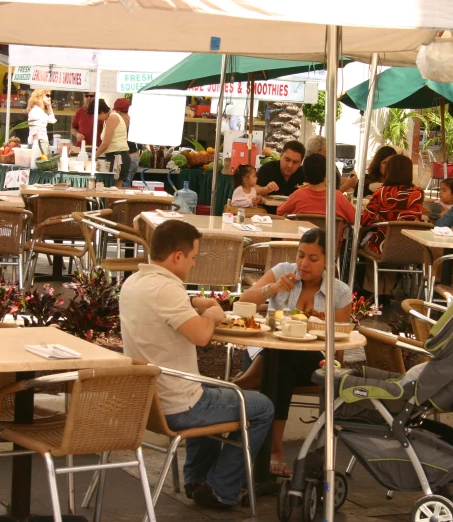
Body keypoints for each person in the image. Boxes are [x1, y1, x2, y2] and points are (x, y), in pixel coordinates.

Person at [120, 220, 274, 508]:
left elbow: (167, 309)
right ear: (177, 256)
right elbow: (202, 336)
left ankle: (197, 478)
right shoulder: (167, 288)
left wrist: (194, 302)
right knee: (263, 407)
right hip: (178, 405)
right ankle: (220, 488)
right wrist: (213, 314)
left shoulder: (134, 282)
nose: (193, 265)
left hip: (149, 400)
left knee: (214, 388)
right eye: (192, 258)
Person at [234, 228, 352, 475]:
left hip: (311, 361)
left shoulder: (338, 291)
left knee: (286, 359)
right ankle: (274, 451)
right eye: (300, 255)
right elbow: (244, 300)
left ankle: (242, 385)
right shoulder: (282, 272)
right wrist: (273, 289)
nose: (303, 263)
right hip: (270, 354)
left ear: (328, 261)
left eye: (313, 258)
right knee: (282, 366)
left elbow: (339, 339)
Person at [361, 154, 424, 253]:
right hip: (411, 247)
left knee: (361, 244)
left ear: (389, 171)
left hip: (384, 246)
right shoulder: (418, 193)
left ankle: (371, 268)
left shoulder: (381, 192)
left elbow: (365, 221)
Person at [276, 153, 357, 223]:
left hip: (300, 240)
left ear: (305, 173)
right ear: (327, 173)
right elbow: (356, 219)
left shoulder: (298, 195)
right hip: (329, 241)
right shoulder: (338, 197)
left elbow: (279, 212)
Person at [95, 99, 131, 188]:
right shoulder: (107, 119)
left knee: (115, 189)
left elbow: (106, 143)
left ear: (102, 112)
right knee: (111, 188)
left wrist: (94, 156)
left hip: (119, 157)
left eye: (97, 115)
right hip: (114, 155)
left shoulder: (112, 118)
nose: (98, 118)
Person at [256, 140, 305, 204]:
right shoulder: (267, 169)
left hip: (294, 212)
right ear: (281, 156)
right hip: (268, 211)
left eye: (295, 162)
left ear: (301, 163)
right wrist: (266, 189)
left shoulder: (305, 174)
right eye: (287, 160)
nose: (290, 165)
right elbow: (252, 189)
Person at [112, 98, 140, 187]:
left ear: (118, 110)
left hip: (129, 156)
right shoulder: (130, 119)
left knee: (124, 185)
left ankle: (123, 201)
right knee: (126, 183)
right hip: (134, 156)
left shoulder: (123, 121)